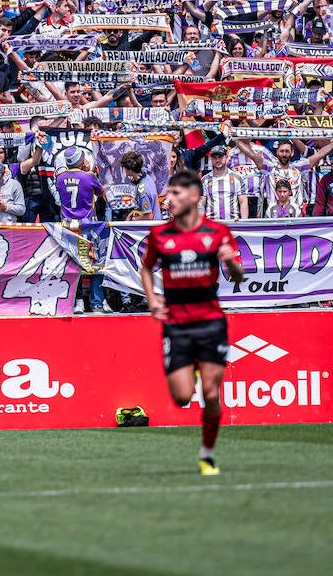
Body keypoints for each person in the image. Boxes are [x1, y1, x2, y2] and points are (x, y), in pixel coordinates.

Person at [138, 169, 244, 476]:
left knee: (211, 395)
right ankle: (194, 367)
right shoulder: (161, 235)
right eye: (169, 194)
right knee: (182, 397)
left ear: (195, 197)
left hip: (210, 323)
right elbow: (147, 269)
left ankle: (207, 454)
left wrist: (230, 262)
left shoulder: (217, 232)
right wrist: (152, 297)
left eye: (175, 194)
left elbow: (238, 276)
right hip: (177, 325)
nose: (169, 199)